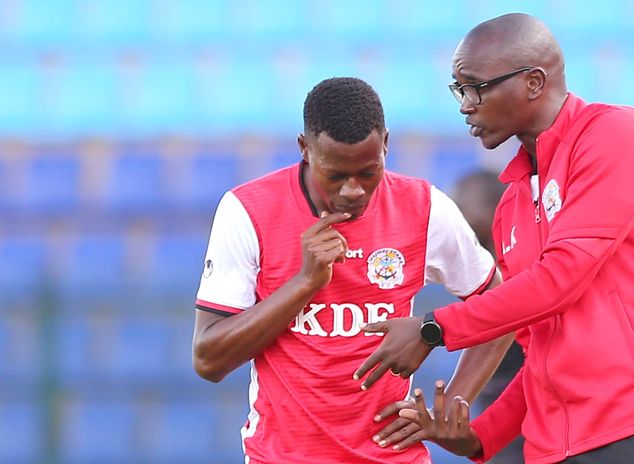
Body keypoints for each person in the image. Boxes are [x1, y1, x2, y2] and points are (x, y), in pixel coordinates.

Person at [354, 13, 634, 464]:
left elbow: (564, 276)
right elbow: (538, 352)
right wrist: (481, 437)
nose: (465, 104)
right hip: (549, 447)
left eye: (476, 86)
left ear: (534, 82)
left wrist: (433, 329)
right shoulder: (511, 204)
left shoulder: (617, 134)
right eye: (458, 89)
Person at [191, 77, 513, 463]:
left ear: (386, 145)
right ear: (305, 149)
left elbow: (500, 305)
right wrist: (305, 283)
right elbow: (209, 360)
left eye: (367, 172)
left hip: (394, 456)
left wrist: (453, 403)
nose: (353, 191)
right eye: (336, 175)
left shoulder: (425, 208)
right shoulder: (248, 211)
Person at [453, 170, 525, 464]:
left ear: (492, 208)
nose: (454, 218)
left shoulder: (523, 272)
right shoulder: (477, 274)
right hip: (499, 411)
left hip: (530, 414)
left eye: (462, 206)